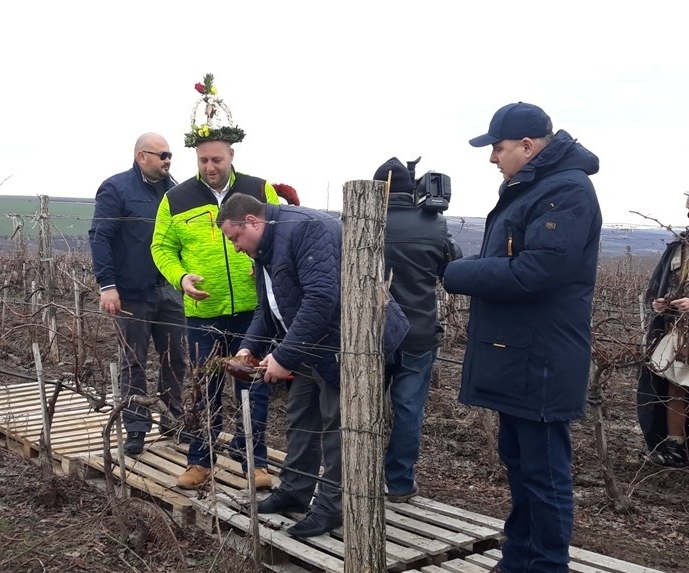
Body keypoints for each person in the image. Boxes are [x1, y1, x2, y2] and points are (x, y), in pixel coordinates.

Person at [442, 102, 601, 573]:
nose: (493, 158)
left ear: (528, 147)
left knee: (545, 475)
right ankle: (518, 566)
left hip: (544, 359)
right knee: (519, 462)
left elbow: (536, 271)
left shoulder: (567, 191)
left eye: (498, 147)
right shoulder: (533, 189)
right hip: (520, 353)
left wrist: (455, 272)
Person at [217, 193, 410, 538]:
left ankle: (331, 508)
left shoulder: (306, 228)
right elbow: (269, 309)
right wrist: (248, 348)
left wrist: (283, 357)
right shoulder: (265, 247)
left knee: (338, 427)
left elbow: (321, 299)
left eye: (234, 238)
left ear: (252, 222)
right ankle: (295, 490)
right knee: (300, 416)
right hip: (312, 345)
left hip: (351, 345)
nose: (234, 247)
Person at [150, 74, 276, 491]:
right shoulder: (177, 198)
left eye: (217, 160)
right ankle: (200, 461)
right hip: (202, 312)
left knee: (254, 387)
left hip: (253, 312)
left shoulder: (261, 190)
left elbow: (279, 238)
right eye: (203, 160)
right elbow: (161, 248)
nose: (210, 167)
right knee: (205, 386)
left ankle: (252, 462)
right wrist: (181, 276)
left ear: (231, 154)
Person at [89, 132, 188, 456]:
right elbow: (100, 238)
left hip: (169, 291)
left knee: (175, 357)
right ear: (141, 156)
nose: (168, 160)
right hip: (131, 293)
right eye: (162, 155)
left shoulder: (176, 192)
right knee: (134, 361)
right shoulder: (116, 189)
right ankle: (136, 428)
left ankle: (173, 418)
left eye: (170, 155)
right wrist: (107, 285)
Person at [372, 157, 462, 503]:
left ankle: (357, 473)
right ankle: (399, 483)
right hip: (418, 334)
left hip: (370, 334)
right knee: (408, 410)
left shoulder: (360, 221)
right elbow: (451, 270)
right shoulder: (434, 224)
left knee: (359, 405)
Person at [637, 192, 689, 468]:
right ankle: (675, 447)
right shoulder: (679, 246)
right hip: (678, 331)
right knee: (674, 388)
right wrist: (661, 302)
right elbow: (664, 284)